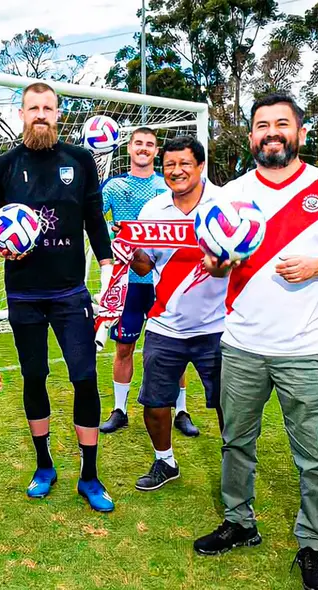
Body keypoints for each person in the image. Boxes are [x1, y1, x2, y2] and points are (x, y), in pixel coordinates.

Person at [192, 94, 318, 590]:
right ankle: (239, 522)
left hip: (307, 348)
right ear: (251, 136)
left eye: (281, 124)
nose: (271, 132)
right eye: (261, 125)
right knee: (236, 442)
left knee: (315, 456)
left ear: (299, 131)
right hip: (242, 343)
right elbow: (215, 258)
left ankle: (315, 546)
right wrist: (217, 262)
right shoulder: (231, 192)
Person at [0, 82, 116, 512]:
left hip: (70, 292)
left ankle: (90, 476)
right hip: (23, 295)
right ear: (21, 113)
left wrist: (108, 265)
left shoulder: (79, 160)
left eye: (48, 108)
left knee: (84, 378)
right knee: (34, 377)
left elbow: (94, 216)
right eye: (33, 107)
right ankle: (44, 465)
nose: (41, 114)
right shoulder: (1, 167)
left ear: (58, 114)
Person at [122, 136, 228, 491]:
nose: (177, 171)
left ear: (200, 166)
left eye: (184, 164)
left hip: (219, 326)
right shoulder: (152, 210)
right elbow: (143, 266)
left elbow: (245, 260)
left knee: (230, 405)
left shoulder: (226, 205)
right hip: (165, 323)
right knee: (154, 404)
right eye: (169, 165)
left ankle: (236, 464)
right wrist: (130, 253)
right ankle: (164, 461)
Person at [98, 128, 198, 438]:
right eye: (138, 143)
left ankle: (181, 411)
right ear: (129, 148)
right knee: (124, 346)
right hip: (128, 281)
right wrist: (111, 233)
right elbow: (93, 220)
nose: (143, 149)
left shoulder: (168, 187)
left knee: (175, 346)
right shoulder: (114, 186)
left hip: (163, 280)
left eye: (150, 145)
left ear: (157, 152)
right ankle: (119, 410)